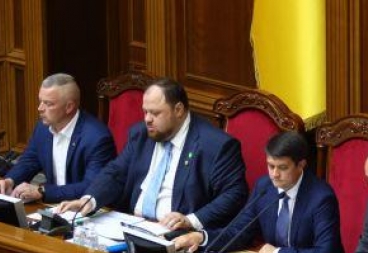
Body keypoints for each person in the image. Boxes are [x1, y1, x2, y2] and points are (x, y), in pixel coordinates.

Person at [57, 78, 247, 231]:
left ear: (178, 110)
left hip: (178, 234)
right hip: (131, 225)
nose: (147, 119)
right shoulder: (141, 134)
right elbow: (116, 172)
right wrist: (89, 200)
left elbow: (234, 194)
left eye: (155, 113)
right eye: (145, 112)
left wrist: (191, 220)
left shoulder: (215, 145)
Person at [173, 131, 346, 253]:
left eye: (282, 168)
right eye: (271, 166)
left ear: (301, 165)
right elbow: (239, 231)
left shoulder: (321, 198)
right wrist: (202, 237)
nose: (274, 174)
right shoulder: (264, 187)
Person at [0, 73, 116, 203]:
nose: (40, 108)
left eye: (48, 104)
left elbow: (92, 186)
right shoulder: (43, 128)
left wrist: (43, 191)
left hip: (82, 207)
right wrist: (10, 180)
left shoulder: (97, 138)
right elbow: (30, 160)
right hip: (52, 204)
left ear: (69, 107)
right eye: (40, 101)